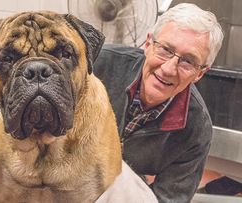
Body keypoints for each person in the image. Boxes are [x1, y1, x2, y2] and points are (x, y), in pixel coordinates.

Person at [93, 3, 224, 203]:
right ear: (148, 44)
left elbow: (168, 200)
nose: (169, 69)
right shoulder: (97, 64)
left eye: (188, 61)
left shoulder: (196, 130)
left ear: (200, 73)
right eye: (165, 49)